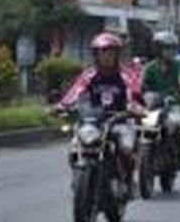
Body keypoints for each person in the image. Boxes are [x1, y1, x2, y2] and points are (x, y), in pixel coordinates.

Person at [57, 32, 142, 197]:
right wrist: (61, 106)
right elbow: (75, 92)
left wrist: (135, 108)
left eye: (110, 52)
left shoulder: (126, 74)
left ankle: (129, 181)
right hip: (95, 120)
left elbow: (134, 93)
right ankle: (79, 177)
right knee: (76, 145)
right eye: (102, 52)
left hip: (120, 119)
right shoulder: (89, 74)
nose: (106, 56)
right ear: (96, 55)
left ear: (117, 54)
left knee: (126, 148)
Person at [141, 31, 180, 169]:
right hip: (154, 105)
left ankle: (178, 154)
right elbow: (141, 85)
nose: (171, 51)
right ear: (158, 49)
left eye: (173, 48)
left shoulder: (177, 65)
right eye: (167, 48)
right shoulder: (149, 67)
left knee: (175, 125)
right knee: (143, 125)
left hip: (173, 103)